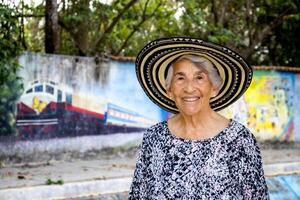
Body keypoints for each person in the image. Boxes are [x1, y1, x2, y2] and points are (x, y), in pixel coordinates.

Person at [129, 37, 269, 199]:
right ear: (169, 91)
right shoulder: (154, 138)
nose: (189, 88)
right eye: (180, 78)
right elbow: (138, 195)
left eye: (199, 77)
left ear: (214, 88)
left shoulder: (239, 140)